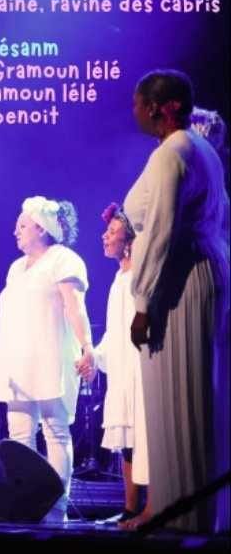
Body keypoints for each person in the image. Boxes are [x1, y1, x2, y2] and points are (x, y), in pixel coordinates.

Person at [125, 70, 229, 533]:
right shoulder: (198, 148)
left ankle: (182, 515)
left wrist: (142, 302)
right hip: (195, 270)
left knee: (180, 400)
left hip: (179, 279)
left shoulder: (174, 152)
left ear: (157, 107)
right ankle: (183, 509)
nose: (133, 111)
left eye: (137, 103)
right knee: (194, 398)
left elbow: (161, 230)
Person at [0, 197, 94, 523]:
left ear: (42, 228)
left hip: (50, 357)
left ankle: (56, 508)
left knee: (55, 432)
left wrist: (87, 347)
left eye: (22, 225)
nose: (15, 231)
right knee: (19, 435)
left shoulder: (64, 259)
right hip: (18, 362)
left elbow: (75, 307)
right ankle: (25, 505)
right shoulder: (16, 268)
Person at [78, 204, 149, 527]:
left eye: (112, 232)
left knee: (144, 437)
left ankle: (152, 507)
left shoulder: (139, 277)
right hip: (121, 370)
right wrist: (94, 356)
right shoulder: (119, 278)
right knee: (127, 441)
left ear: (130, 241)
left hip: (139, 368)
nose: (104, 237)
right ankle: (131, 508)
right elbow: (114, 331)